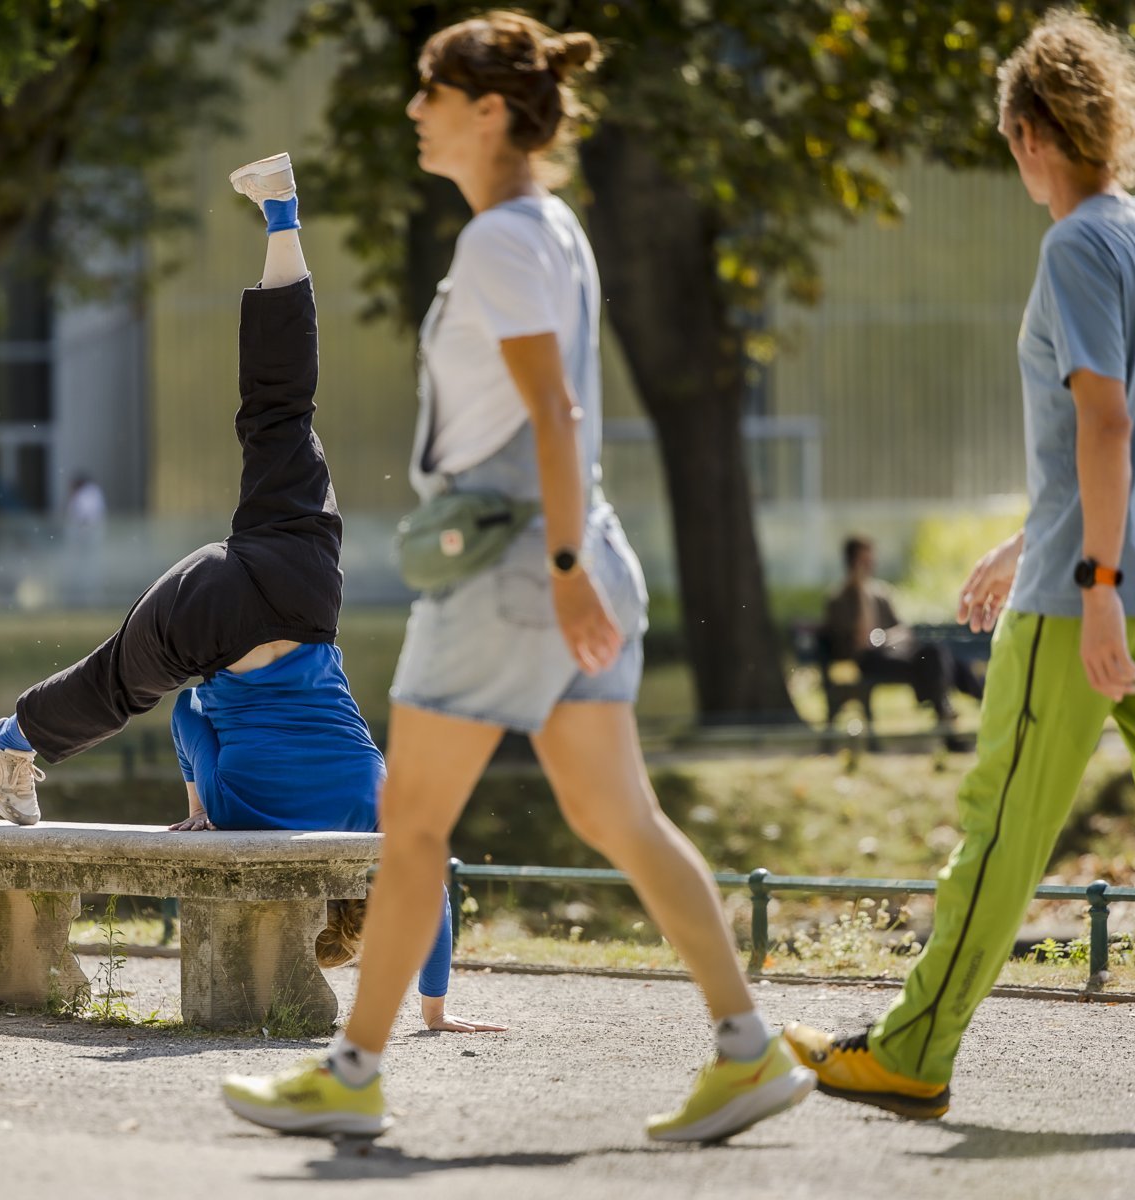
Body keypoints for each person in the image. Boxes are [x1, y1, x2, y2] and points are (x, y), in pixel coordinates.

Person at [220, 12, 814, 1143]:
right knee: (620, 815)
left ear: (486, 110)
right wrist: (575, 566)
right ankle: (748, 1050)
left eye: (428, 93)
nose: (411, 111)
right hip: (561, 560)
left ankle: (350, 1072)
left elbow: (554, 410)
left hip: (509, 573)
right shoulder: (548, 228)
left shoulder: (501, 238)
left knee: (409, 822)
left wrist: (556, 570)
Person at [783, 11, 1135, 1132]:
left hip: (1091, 605)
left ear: (1026, 133)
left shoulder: (1073, 247)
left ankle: (910, 1054)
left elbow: (1103, 422)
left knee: (1001, 824)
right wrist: (1031, 544)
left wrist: (1090, 583)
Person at [0, 155, 489, 1033]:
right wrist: (199, 811)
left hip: (297, 584)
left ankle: (281, 213)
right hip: (209, 607)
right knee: (117, 684)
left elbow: (428, 879)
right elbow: (188, 722)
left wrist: (438, 1007)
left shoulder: (373, 799)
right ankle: (16, 738)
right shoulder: (242, 815)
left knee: (280, 409)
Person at [821, 534, 985, 731]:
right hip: (869, 661)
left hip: (893, 653)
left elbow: (902, 630)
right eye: (863, 561)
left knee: (937, 654)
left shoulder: (880, 594)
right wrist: (861, 593)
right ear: (852, 562)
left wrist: (883, 639)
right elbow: (859, 640)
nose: (870, 565)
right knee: (936, 661)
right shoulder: (839, 599)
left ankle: (956, 702)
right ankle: (957, 704)